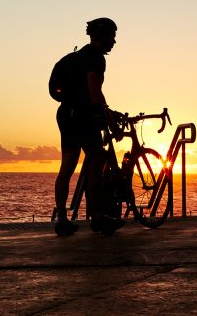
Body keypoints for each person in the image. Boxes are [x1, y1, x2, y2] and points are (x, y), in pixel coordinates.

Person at [54, 17, 124, 236]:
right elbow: (94, 90)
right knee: (96, 159)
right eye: (110, 36)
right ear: (99, 36)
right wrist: (106, 114)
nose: (113, 41)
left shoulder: (78, 56)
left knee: (67, 167)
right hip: (82, 115)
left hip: (66, 113)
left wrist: (106, 110)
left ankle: (63, 220)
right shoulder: (95, 58)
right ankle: (98, 217)